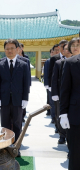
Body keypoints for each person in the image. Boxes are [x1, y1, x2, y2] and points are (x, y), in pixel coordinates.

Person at [0, 39, 29, 157]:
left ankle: (16, 147)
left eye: (12, 48)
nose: (9, 51)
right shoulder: (0, 65)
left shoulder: (24, 65)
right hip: (4, 99)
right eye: (7, 48)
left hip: (18, 99)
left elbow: (26, 82)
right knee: (4, 124)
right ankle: (5, 147)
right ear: (4, 50)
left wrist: (25, 98)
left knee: (17, 124)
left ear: (17, 49)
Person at [60, 38, 80, 170]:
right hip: (76, 116)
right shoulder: (70, 62)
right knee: (76, 155)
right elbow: (65, 90)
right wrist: (63, 113)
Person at [51, 42, 71, 144]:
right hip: (60, 94)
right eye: (65, 49)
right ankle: (62, 135)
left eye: (69, 48)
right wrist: (54, 93)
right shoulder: (59, 63)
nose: (67, 51)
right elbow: (54, 79)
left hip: (72, 95)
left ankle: (69, 137)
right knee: (60, 115)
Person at [48, 43, 64, 124]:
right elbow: (51, 73)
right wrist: (50, 86)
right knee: (55, 106)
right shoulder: (54, 59)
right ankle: (55, 119)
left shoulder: (73, 58)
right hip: (56, 86)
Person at [43, 49, 54, 116]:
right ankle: (49, 110)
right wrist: (46, 84)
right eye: (52, 52)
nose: (53, 53)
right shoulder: (48, 61)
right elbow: (46, 73)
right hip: (49, 84)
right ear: (50, 53)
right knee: (49, 99)